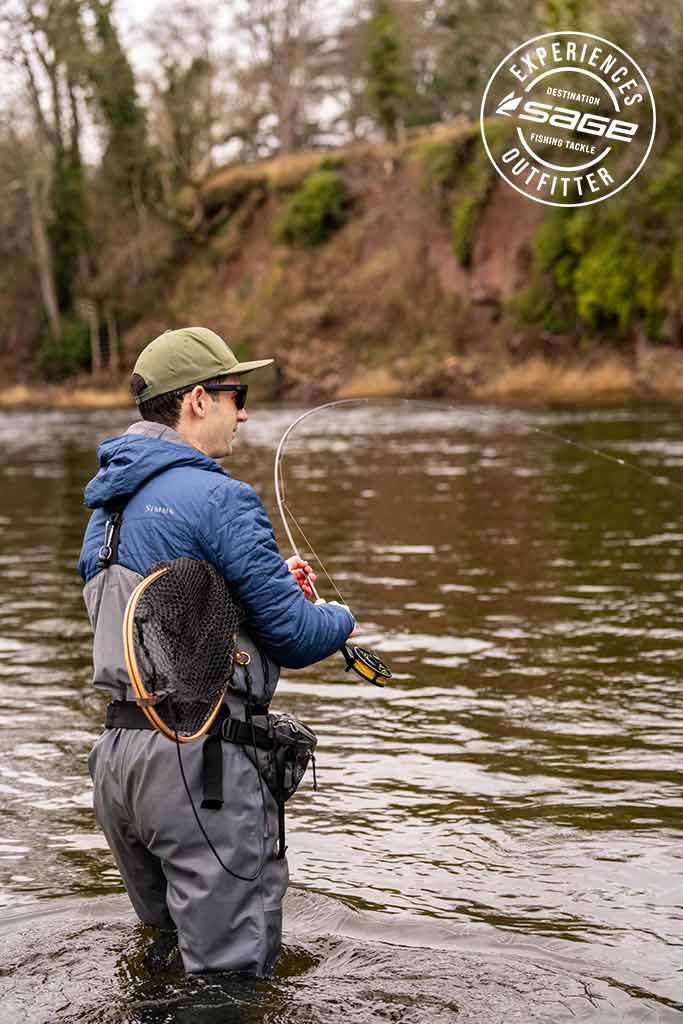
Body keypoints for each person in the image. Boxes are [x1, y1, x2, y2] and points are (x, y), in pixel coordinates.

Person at [79, 326, 355, 977]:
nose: (246, 409)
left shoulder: (105, 507)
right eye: (238, 393)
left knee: (164, 964)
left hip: (118, 765)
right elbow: (295, 635)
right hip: (197, 765)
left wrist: (251, 592)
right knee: (230, 978)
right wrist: (339, 617)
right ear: (198, 400)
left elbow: (154, 622)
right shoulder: (220, 498)